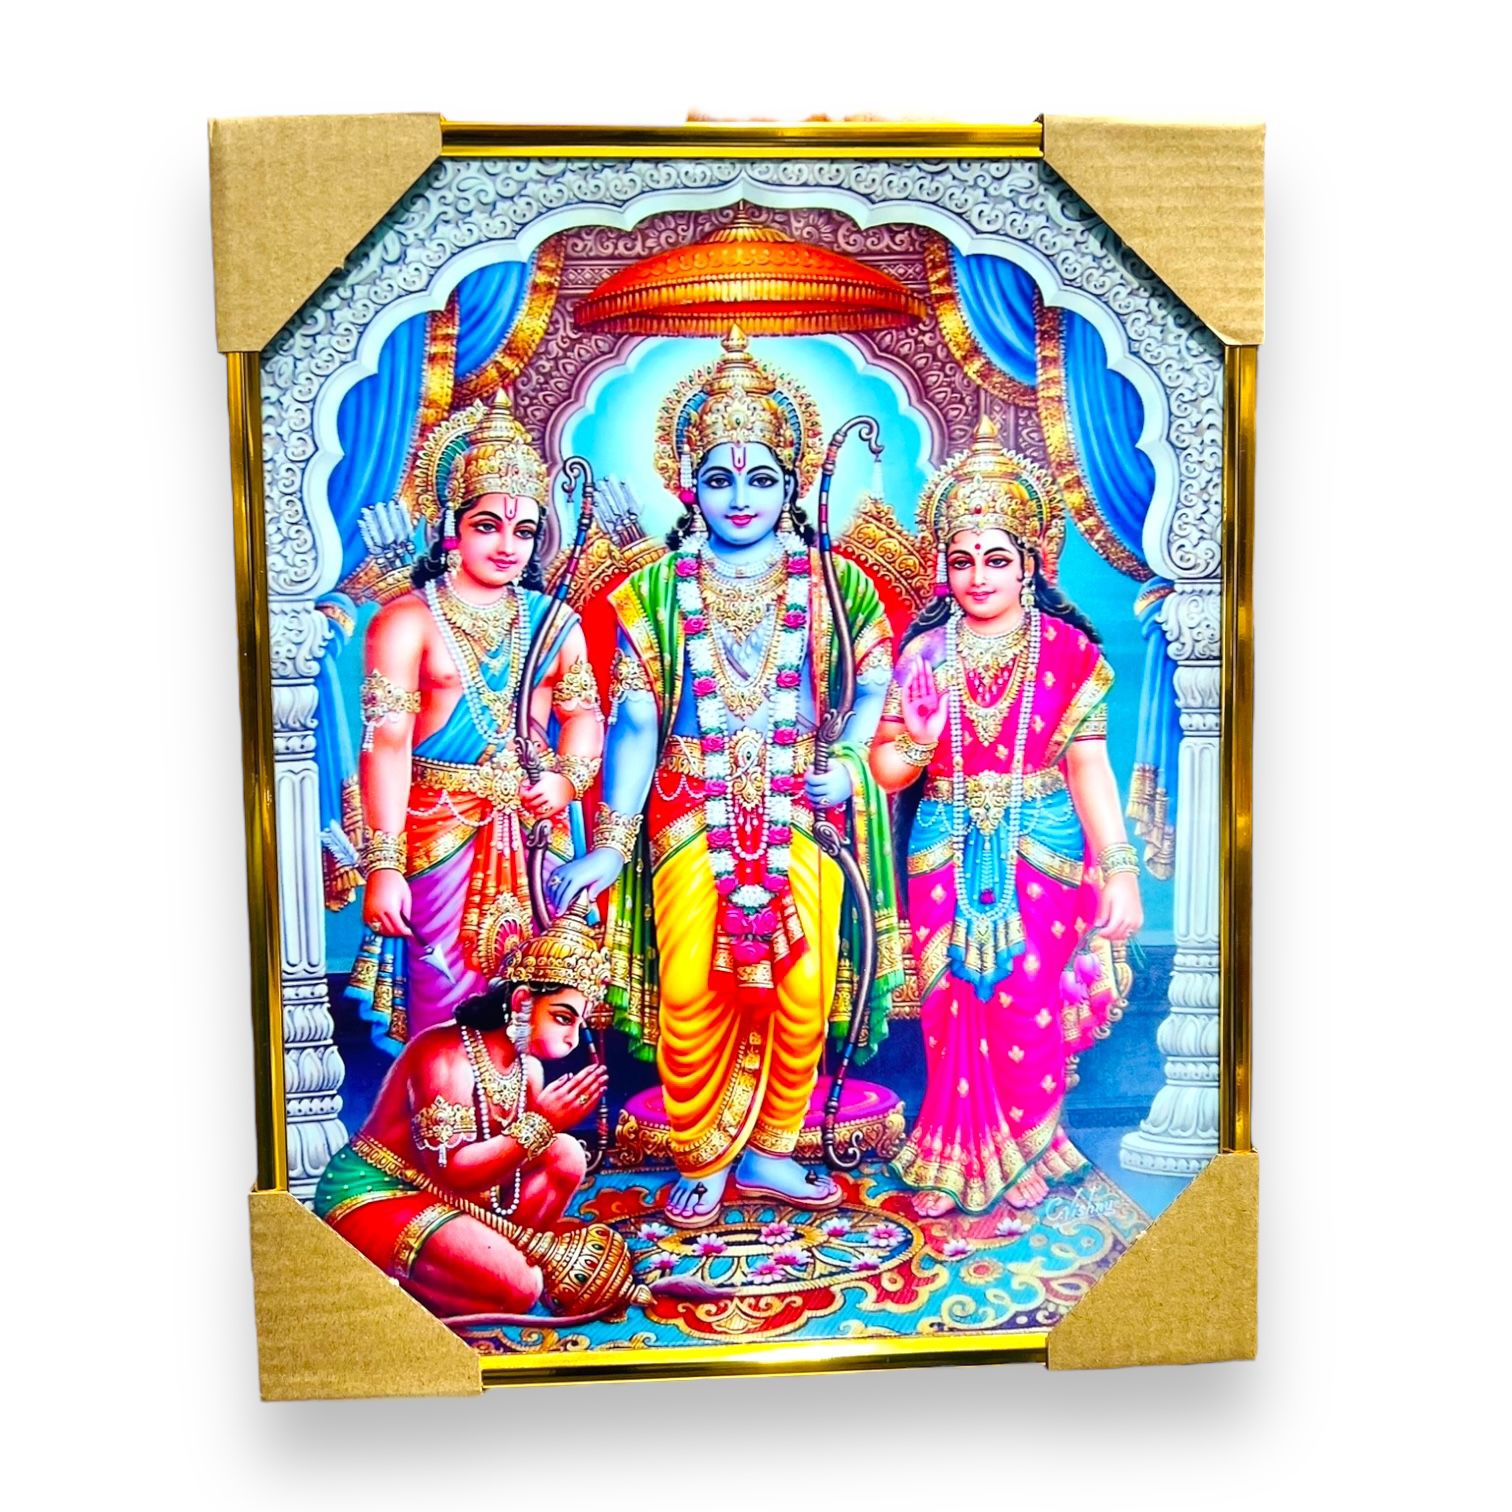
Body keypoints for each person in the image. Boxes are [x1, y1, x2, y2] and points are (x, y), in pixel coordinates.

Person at [548, 327, 904, 1228]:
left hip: (801, 811)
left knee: (803, 987)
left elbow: (874, 687)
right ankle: (704, 1156)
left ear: (791, 484)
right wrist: (609, 846)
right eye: (718, 479)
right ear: (688, 484)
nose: (739, 499)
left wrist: (850, 763)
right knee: (690, 989)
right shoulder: (654, 590)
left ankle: (773, 1152)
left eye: (760, 479)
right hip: (688, 809)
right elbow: (635, 723)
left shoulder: (837, 584)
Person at [869, 419, 1142, 1222]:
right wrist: (918, 742)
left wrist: (1118, 866)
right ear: (944, 566)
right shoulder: (923, 654)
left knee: (1027, 996)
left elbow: (1088, 765)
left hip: (1041, 844)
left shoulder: (1068, 651)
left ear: (1030, 563)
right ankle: (955, 1150)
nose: (978, 576)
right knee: (951, 998)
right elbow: (886, 771)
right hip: (944, 843)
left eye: (996, 558)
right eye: (962, 560)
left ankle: (1028, 1144)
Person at [347, 391, 605, 1047]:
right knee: (445, 997)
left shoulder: (555, 621)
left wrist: (567, 780)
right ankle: (449, 1106)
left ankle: (526, 1109)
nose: (508, 546)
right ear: (452, 528)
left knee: (542, 1003)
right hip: (440, 831)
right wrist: (383, 865)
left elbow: (583, 716)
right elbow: (387, 745)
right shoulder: (405, 621)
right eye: (488, 525)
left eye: (524, 532)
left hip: (537, 832)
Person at [315, 907, 612, 1317]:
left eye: (579, 1024)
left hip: (458, 1199)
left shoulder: (529, 1069)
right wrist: (541, 1122)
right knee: (522, 1289)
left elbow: (504, 1169)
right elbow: (451, 1172)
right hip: (382, 1191)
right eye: (562, 1018)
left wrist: (542, 1130)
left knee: (567, 1155)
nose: (572, 1039)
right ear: (522, 1001)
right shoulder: (446, 1055)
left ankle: (491, 1260)